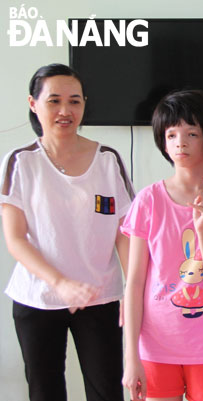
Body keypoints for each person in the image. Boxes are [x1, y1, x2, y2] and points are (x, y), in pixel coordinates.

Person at [0, 63, 134, 401]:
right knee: (45, 392)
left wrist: (133, 288)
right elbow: (15, 239)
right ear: (33, 104)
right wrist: (60, 283)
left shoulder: (108, 159)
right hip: (38, 298)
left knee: (106, 390)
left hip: (100, 296)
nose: (65, 110)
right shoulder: (20, 162)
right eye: (54, 101)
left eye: (74, 101)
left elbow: (124, 232)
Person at [121, 90, 203, 401]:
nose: (179, 143)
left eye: (191, 133)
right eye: (171, 134)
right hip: (155, 344)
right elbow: (135, 283)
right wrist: (131, 357)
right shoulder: (148, 200)